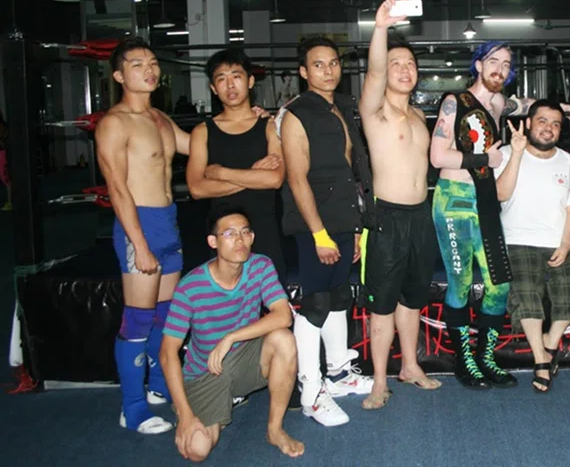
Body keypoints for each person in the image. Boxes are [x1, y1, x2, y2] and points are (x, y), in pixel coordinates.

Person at [429, 41, 570, 389]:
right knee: (460, 283)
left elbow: (524, 105)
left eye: (506, 64)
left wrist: (561, 108)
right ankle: (464, 362)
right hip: (454, 199)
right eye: (493, 61)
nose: (500, 69)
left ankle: (486, 358)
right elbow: (437, 156)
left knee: (499, 284)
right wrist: (485, 160)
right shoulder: (455, 101)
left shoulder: (497, 103)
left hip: (485, 199)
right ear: (478, 65)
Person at [96, 37, 197, 434]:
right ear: (119, 75)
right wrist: (138, 244)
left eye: (153, 62)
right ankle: (133, 407)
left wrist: (251, 122)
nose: (149, 70)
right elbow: (117, 188)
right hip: (138, 223)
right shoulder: (115, 123)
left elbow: (199, 145)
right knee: (138, 320)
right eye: (137, 64)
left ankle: (158, 386)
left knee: (165, 315)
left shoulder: (159, 118)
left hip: (168, 221)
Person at [278, 36, 374, 425]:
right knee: (316, 303)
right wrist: (319, 234)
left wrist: (357, 228)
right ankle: (311, 391)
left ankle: (337, 373)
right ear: (304, 72)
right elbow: (296, 178)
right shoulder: (296, 114)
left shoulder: (343, 107)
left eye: (333, 63)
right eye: (318, 65)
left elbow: (353, 170)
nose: (328, 70)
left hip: (344, 218)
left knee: (338, 296)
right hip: (315, 223)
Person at [159, 206, 303, 462]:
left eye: (245, 232)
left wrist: (231, 337)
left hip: (244, 358)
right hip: (205, 373)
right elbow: (167, 353)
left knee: (283, 339)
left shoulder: (260, 266)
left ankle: (274, 430)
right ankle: (203, 408)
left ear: (252, 237)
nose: (239, 240)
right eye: (229, 234)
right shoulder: (190, 287)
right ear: (213, 242)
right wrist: (185, 415)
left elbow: (283, 315)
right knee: (197, 450)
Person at [356, 0, 441, 410]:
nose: (405, 70)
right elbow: (373, 71)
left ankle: (410, 365)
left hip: (421, 216)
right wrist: (381, 29)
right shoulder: (376, 112)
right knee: (383, 305)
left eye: (410, 64)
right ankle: (378, 381)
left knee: (413, 299)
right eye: (396, 64)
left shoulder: (420, 118)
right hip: (387, 219)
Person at [494, 99, 570, 393]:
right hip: (517, 238)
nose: (548, 128)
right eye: (542, 121)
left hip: (561, 237)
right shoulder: (505, 153)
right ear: (528, 123)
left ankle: (549, 343)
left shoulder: (569, 161)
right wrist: (517, 153)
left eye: (555, 124)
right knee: (525, 289)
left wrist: (566, 244)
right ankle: (540, 359)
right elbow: (500, 194)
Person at [186, 48, 287, 282]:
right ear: (213, 88)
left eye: (236, 76)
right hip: (224, 235)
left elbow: (274, 179)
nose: (230, 85)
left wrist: (221, 173)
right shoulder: (202, 132)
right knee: (226, 300)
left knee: (272, 300)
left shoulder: (269, 126)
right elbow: (197, 188)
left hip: (265, 231)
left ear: (250, 81)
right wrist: (254, 175)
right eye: (221, 79)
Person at [0, 108, 10, 211]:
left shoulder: (3, 126)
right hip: (3, 153)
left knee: (6, 178)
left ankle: (10, 201)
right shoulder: (4, 126)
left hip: (2, 154)